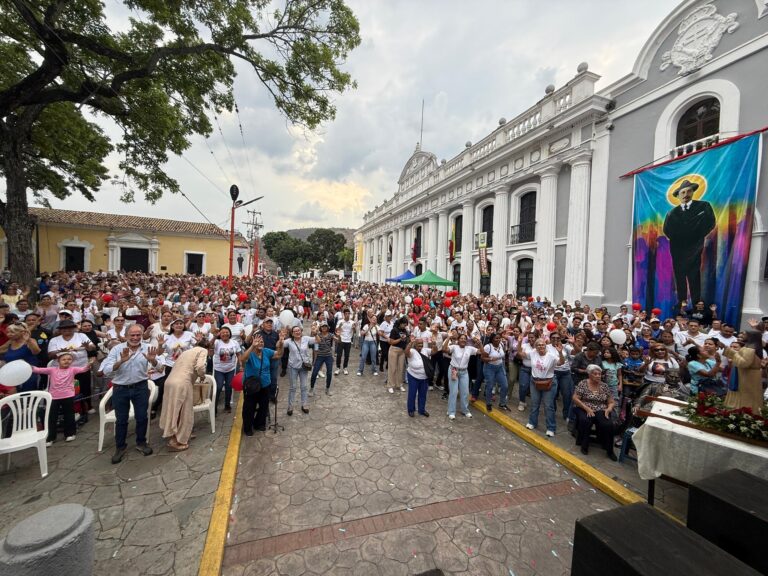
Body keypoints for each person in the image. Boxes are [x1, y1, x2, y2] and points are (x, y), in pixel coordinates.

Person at [100, 324, 161, 463]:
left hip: (140, 387)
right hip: (120, 388)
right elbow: (107, 370)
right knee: (121, 419)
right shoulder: (117, 349)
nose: (135, 338)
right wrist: (121, 361)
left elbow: (160, 368)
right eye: (132, 335)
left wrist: (153, 360)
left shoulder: (148, 347)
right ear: (126, 335)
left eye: (138, 335)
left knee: (142, 417)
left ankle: (141, 442)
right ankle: (120, 447)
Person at [662, 179, 716, 303]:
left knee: (694, 276)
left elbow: (711, 222)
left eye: (688, 191)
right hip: (678, 251)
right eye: (683, 192)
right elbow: (667, 230)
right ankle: (682, 304)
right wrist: (679, 239)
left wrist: (697, 236)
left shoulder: (703, 206)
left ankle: (696, 304)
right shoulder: (672, 213)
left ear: (692, 192)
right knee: (680, 277)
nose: (686, 194)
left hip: (695, 248)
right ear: (678, 195)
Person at [30, 351, 90, 445]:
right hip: (54, 397)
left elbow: (84, 369)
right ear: (58, 361)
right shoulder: (52, 370)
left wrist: (89, 364)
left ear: (72, 361)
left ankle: (70, 433)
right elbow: (38, 370)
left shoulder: (73, 369)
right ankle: (50, 437)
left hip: (68, 395)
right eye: (64, 359)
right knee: (51, 417)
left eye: (69, 359)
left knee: (69, 415)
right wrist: (29, 367)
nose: (66, 361)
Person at [160, 338, 207, 451]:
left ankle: (180, 434)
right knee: (183, 411)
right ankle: (176, 440)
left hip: (170, 381)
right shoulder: (203, 351)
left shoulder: (187, 351)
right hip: (182, 382)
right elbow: (200, 367)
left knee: (172, 409)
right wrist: (202, 375)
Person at [240, 332, 284, 435]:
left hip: (265, 384)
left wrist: (281, 344)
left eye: (262, 342)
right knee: (249, 407)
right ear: (253, 342)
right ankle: (248, 428)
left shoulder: (266, 351)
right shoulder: (250, 353)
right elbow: (242, 359)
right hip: (252, 386)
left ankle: (259, 424)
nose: (260, 343)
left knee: (264, 406)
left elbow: (279, 354)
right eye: (257, 341)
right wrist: (252, 346)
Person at [520, 336, 564, 436]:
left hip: (548, 383)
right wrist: (519, 343)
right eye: (538, 345)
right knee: (534, 404)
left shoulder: (551, 356)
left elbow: (561, 362)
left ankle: (551, 428)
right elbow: (520, 354)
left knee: (548, 406)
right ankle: (532, 422)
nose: (541, 346)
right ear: (535, 347)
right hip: (534, 382)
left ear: (546, 346)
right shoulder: (533, 353)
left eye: (543, 344)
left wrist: (560, 353)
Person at [571, 364, 617, 459]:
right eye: (595, 374)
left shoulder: (604, 386)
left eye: (599, 374)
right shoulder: (583, 383)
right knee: (586, 421)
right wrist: (586, 408)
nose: (598, 376)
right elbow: (575, 398)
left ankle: (609, 450)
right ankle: (584, 445)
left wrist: (608, 409)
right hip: (583, 407)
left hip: (600, 408)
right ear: (589, 374)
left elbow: (611, 402)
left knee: (608, 425)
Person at [722, 321, 764, 412]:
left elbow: (744, 363)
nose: (742, 335)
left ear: (750, 336)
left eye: (745, 334)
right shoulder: (753, 346)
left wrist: (730, 351)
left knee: (745, 397)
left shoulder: (750, 349)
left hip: (746, 376)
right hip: (747, 375)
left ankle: (742, 414)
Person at [443, 332, 480, 420]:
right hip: (454, 370)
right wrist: (448, 337)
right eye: (461, 338)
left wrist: (480, 343)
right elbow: (444, 349)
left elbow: (481, 352)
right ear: (458, 340)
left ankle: (465, 410)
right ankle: (451, 411)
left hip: (464, 372)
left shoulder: (469, 348)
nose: (463, 340)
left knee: (465, 392)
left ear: (466, 341)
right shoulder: (454, 347)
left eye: (464, 339)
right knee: (454, 392)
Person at [0, 323, 41, 391]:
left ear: (22, 332)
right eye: (8, 332)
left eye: (12, 332)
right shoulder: (10, 342)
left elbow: (36, 352)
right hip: (11, 375)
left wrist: (28, 340)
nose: (9, 334)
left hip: (28, 375)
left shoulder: (30, 341)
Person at [404, 334, 437, 418]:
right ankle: (411, 410)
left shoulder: (425, 350)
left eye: (421, 344)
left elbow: (434, 351)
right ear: (415, 344)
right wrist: (410, 343)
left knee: (423, 394)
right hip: (413, 376)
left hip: (424, 378)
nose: (420, 345)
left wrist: (434, 344)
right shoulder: (412, 351)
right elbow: (406, 353)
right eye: (419, 344)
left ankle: (421, 410)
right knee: (412, 394)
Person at [212, 327, 241, 413]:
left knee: (229, 387)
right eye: (223, 332)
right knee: (219, 387)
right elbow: (209, 346)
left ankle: (227, 405)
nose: (225, 334)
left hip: (230, 369)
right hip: (219, 369)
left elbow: (238, 354)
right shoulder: (217, 342)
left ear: (230, 333)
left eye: (227, 332)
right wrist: (214, 336)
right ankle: (214, 407)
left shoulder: (234, 342)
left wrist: (241, 364)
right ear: (220, 334)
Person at [285, 325, 312, 415]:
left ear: (301, 331)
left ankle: (304, 405)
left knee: (304, 387)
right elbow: (279, 345)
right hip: (293, 367)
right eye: (295, 331)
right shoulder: (289, 341)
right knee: (293, 387)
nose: (297, 332)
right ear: (292, 333)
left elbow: (317, 341)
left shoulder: (306, 339)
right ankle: (290, 406)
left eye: (298, 330)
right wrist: (281, 339)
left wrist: (316, 333)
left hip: (304, 367)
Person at [480, 331, 509, 412]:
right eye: (496, 338)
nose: (498, 340)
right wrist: (491, 359)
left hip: (500, 367)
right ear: (492, 339)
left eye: (499, 338)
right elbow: (482, 358)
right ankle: (488, 403)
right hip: (489, 368)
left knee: (505, 385)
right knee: (490, 386)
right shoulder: (488, 347)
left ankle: (502, 403)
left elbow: (503, 354)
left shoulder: (501, 344)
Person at [309, 321, 336, 396]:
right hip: (320, 356)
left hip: (328, 356)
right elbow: (313, 341)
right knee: (314, 373)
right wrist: (314, 359)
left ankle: (327, 388)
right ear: (320, 328)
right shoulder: (318, 335)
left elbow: (337, 340)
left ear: (327, 327)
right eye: (323, 326)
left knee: (329, 373)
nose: (324, 328)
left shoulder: (330, 335)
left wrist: (338, 336)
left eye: (325, 326)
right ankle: (311, 388)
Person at [386, 317, 409, 394]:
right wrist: (400, 339)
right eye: (404, 324)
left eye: (406, 325)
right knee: (392, 368)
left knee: (400, 369)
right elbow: (391, 342)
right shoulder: (394, 330)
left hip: (402, 351)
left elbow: (406, 340)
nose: (405, 326)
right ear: (400, 323)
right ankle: (390, 385)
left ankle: (399, 384)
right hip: (394, 350)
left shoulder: (405, 330)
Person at [357, 310, 379, 376]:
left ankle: (374, 370)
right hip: (366, 342)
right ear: (370, 320)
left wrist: (377, 329)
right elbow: (362, 333)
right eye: (373, 319)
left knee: (373, 357)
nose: (374, 320)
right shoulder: (366, 325)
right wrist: (369, 328)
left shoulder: (377, 326)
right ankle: (360, 370)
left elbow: (380, 334)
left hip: (373, 342)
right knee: (363, 357)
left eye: (375, 319)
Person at [334, 308, 355, 375]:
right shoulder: (340, 321)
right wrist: (340, 326)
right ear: (344, 314)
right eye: (346, 314)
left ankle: (345, 368)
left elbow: (354, 332)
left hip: (348, 341)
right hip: (341, 340)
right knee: (339, 355)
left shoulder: (352, 322)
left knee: (347, 355)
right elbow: (336, 330)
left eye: (348, 314)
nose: (347, 315)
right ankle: (338, 368)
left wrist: (354, 328)